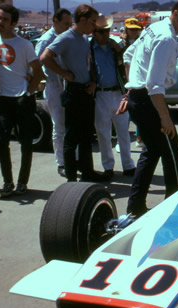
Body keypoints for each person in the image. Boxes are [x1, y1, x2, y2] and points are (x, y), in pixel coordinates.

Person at [121, 0, 178, 217]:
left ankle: (135, 207)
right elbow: (154, 85)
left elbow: (129, 55)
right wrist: (165, 117)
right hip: (149, 101)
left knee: (151, 152)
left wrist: (131, 90)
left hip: (141, 99)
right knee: (172, 153)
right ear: (176, 14)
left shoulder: (153, 29)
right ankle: (174, 206)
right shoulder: (165, 37)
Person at [41, 4, 109, 183]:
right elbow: (45, 57)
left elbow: (88, 63)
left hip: (86, 90)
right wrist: (64, 74)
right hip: (74, 91)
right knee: (72, 136)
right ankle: (71, 178)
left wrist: (93, 81)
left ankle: (87, 172)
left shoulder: (83, 39)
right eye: (93, 22)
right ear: (83, 20)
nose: (94, 26)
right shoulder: (66, 38)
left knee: (86, 135)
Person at [0, 4, 45, 196]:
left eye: (5, 19)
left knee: (25, 142)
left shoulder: (24, 45)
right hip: (2, 99)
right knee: (1, 141)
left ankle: (22, 182)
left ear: (14, 23)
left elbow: (38, 72)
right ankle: (8, 182)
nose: (0, 22)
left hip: (22, 99)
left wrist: (28, 93)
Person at [90, 15, 136, 179]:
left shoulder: (115, 47)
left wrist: (118, 50)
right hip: (101, 94)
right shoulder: (89, 48)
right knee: (103, 133)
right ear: (94, 32)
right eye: (101, 32)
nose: (105, 35)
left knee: (123, 130)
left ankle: (128, 165)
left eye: (107, 31)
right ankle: (108, 166)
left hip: (117, 92)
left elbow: (128, 61)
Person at [35, 7, 72, 178]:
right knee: (59, 125)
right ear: (55, 22)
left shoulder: (67, 37)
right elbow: (37, 64)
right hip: (55, 85)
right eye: (65, 24)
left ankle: (72, 158)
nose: (68, 26)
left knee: (71, 124)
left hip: (68, 84)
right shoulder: (45, 40)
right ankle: (61, 162)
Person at [119, 17, 145, 151]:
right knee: (124, 114)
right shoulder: (121, 45)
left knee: (140, 112)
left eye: (135, 29)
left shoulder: (142, 42)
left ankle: (139, 138)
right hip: (124, 81)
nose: (133, 32)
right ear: (126, 30)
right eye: (131, 30)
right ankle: (121, 141)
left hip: (138, 80)